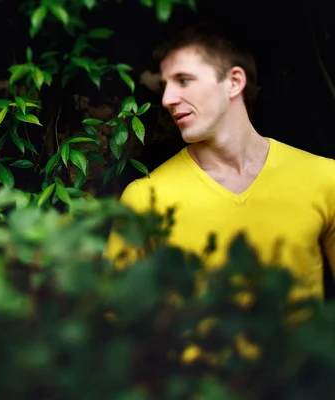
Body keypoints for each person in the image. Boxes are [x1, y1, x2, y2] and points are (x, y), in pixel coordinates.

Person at [106, 23, 335, 301]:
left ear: (234, 82)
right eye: (165, 86)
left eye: (184, 80)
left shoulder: (325, 177)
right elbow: (116, 321)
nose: (167, 99)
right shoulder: (145, 198)